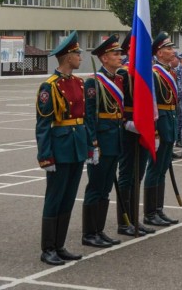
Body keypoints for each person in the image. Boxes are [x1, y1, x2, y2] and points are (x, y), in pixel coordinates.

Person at [36, 31, 89, 265]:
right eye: (77, 53)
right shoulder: (50, 87)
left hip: (76, 146)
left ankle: (60, 244)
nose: (80, 57)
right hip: (60, 147)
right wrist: (45, 156)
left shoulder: (78, 82)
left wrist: (88, 147)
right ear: (68, 57)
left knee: (68, 198)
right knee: (55, 198)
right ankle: (48, 248)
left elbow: (82, 119)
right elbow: (43, 125)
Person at [82, 34, 125, 248]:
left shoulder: (118, 80)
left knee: (106, 188)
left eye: (120, 53)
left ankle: (99, 230)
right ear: (104, 58)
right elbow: (89, 116)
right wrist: (92, 145)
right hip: (101, 142)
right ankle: (89, 233)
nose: (120, 56)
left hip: (115, 140)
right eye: (115, 54)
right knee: (95, 188)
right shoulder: (93, 82)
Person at [116, 33, 155, 237]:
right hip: (128, 129)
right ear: (129, 50)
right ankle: (124, 221)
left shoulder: (143, 72)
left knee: (138, 175)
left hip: (142, 128)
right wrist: (127, 122)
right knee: (126, 175)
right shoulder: (123, 74)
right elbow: (118, 103)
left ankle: (134, 218)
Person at [144, 32, 179, 227]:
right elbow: (153, 105)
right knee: (155, 168)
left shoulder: (169, 72)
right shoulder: (155, 74)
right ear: (159, 52)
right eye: (168, 48)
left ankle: (158, 209)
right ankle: (149, 212)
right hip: (161, 124)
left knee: (163, 168)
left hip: (170, 122)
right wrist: (155, 130)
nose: (172, 51)